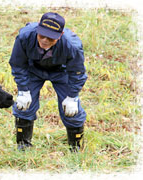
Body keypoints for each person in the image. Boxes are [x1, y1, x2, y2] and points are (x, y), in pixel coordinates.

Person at [9, 12, 87, 152]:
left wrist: (72, 96)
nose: (45, 40)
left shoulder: (72, 45)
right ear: (38, 29)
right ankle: (23, 146)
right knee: (24, 106)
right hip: (33, 68)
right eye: (41, 35)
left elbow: (77, 72)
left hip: (62, 71)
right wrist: (23, 90)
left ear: (60, 35)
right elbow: (18, 64)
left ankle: (75, 148)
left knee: (71, 111)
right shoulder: (25, 36)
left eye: (51, 38)